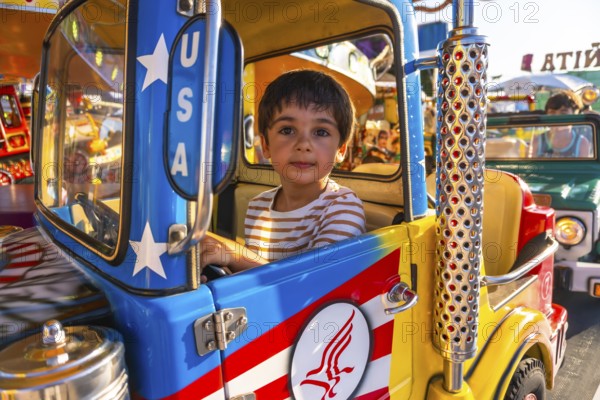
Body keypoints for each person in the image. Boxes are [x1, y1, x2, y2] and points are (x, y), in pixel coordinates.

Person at [200, 70, 366, 274]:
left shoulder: (343, 207)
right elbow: (256, 279)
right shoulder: (258, 206)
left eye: (321, 132)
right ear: (266, 145)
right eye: (287, 130)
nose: (303, 144)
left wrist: (235, 255)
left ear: (340, 150)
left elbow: (315, 284)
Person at [531, 90, 591, 158]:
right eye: (552, 112)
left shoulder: (582, 143)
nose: (557, 116)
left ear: (574, 114)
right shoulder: (537, 141)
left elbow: (584, 168)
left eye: (563, 112)